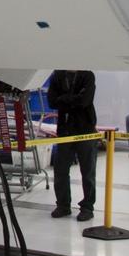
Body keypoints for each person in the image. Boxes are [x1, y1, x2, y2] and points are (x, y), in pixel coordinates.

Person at [48, 70, 98, 221]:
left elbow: (85, 101)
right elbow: (52, 101)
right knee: (60, 170)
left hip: (86, 129)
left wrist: (63, 99)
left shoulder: (87, 75)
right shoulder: (57, 75)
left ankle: (87, 207)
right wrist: (73, 98)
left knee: (88, 172)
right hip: (65, 129)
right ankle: (63, 205)